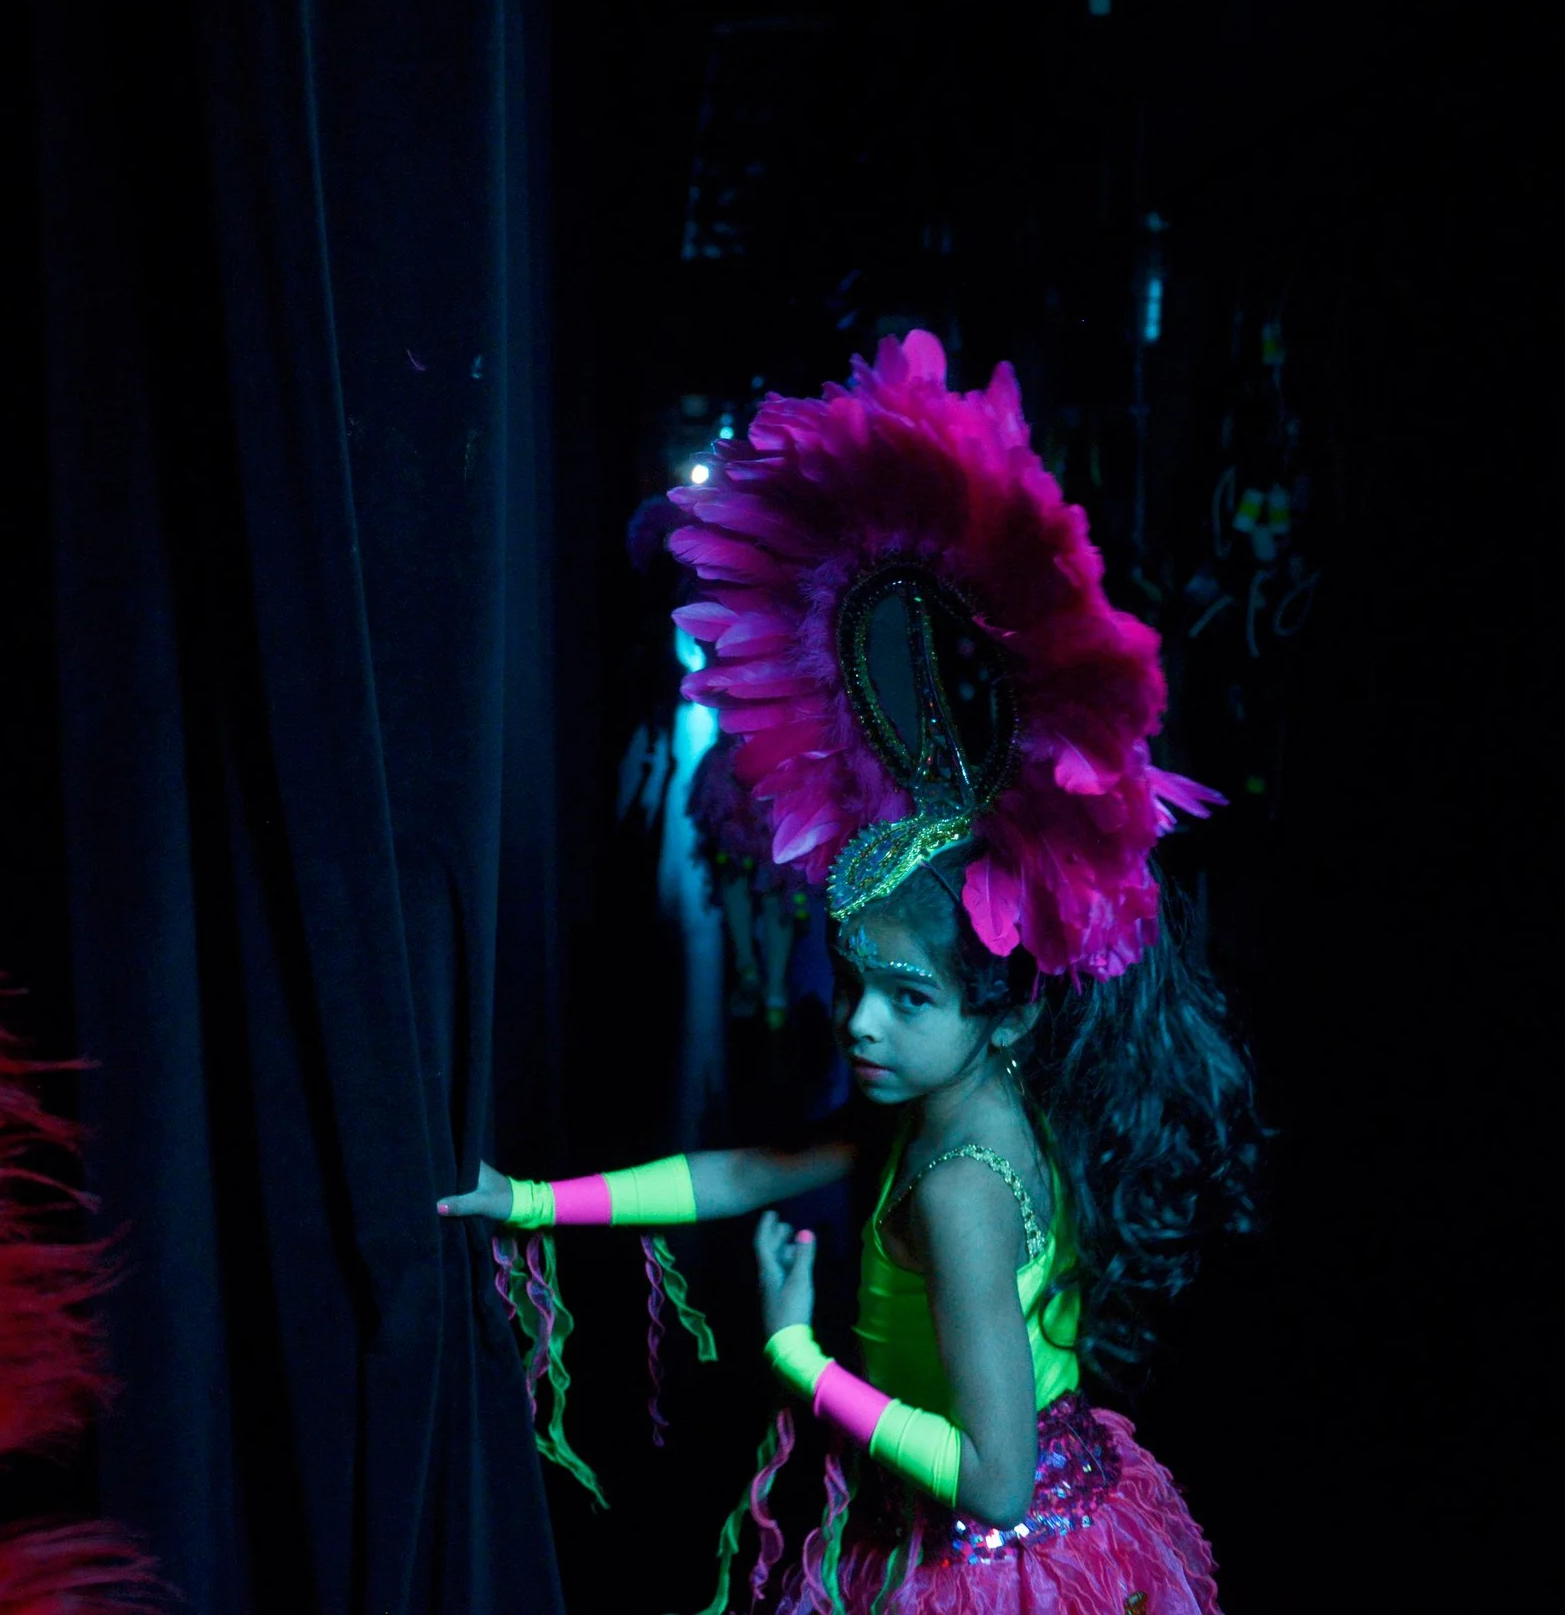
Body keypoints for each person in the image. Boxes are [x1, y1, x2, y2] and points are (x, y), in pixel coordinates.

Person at [439, 332, 1256, 1613]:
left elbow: (994, 1483)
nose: (861, 1025)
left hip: (989, 1556)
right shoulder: (929, 1105)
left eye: (908, 998)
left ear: (1005, 1010)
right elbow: (743, 1171)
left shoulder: (964, 1185)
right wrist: (531, 1203)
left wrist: (794, 1353)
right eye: (853, 983)